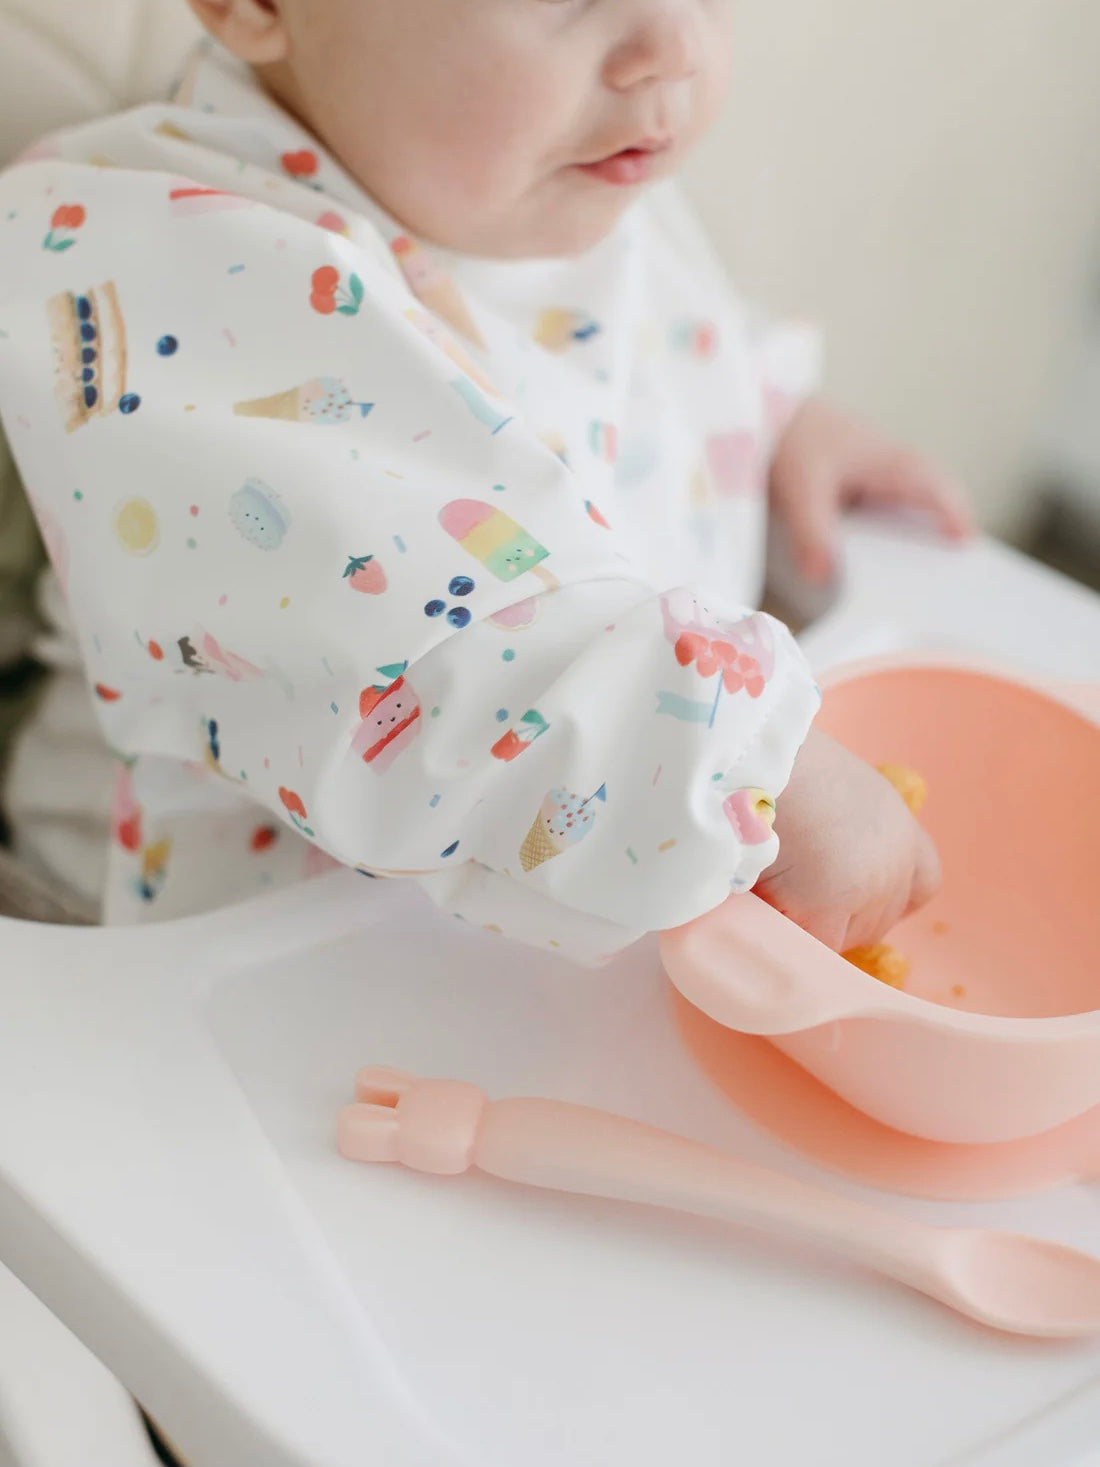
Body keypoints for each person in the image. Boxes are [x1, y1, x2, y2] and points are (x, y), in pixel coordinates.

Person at [0, 0, 969, 961]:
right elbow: (432, 651)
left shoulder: (568, 169)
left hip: (605, 839)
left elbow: (635, 340)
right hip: (202, 944)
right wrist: (748, 773)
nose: (672, 46)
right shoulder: (159, 255)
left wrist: (776, 413)